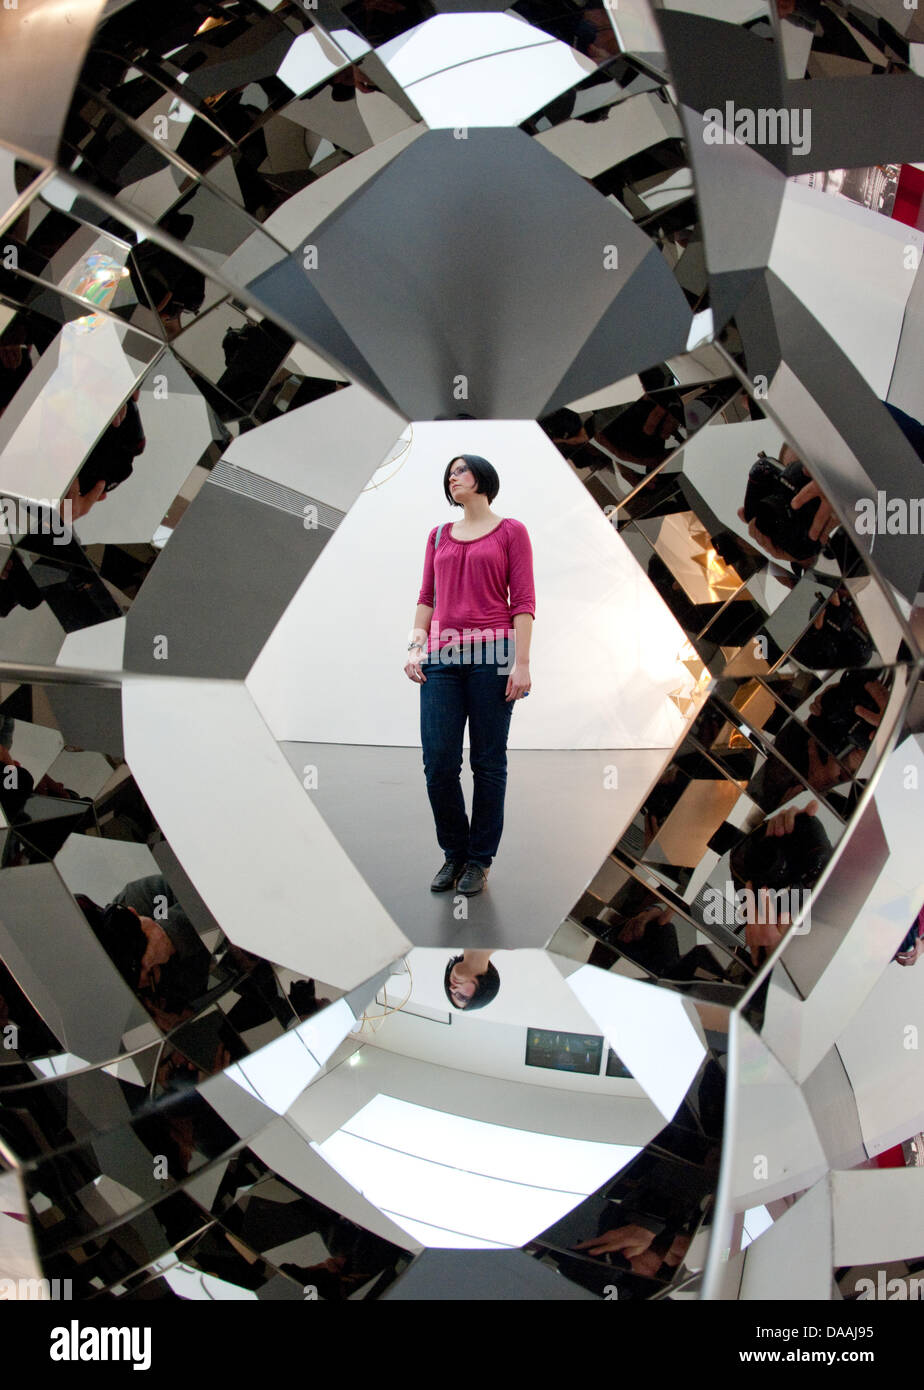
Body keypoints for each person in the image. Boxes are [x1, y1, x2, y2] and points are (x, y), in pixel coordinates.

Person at [404, 455, 535, 897]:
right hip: (441, 656)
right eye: (449, 473)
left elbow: (523, 600)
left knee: (487, 762)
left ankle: (479, 860)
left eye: (460, 470)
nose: (452, 477)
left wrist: (523, 662)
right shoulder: (438, 535)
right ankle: (453, 854)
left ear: (482, 478)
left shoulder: (511, 531)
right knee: (438, 762)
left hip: (494, 654)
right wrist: (414, 648)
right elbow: (427, 597)